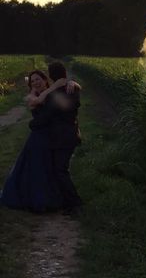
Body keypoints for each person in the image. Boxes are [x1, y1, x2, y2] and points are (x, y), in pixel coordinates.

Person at [0, 70, 78, 212]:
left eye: (38, 79)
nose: (35, 82)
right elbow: (40, 103)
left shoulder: (50, 93)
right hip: (39, 138)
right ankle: (40, 199)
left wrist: (73, 83)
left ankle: (58, 197)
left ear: (44, 79)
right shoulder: (32, 97)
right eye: (32, 81)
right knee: (38, 169)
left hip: (53, 137)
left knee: (51, 168)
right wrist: (55, 86)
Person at [46, 61, 83, 214]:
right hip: (70, 135)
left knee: (60, 170)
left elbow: (48, 116)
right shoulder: (72, 89)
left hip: (62, 137)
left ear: (50, 76)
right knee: (60, 169)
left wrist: (33, 124)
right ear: (65, 74)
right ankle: (66, 201)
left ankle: (75, 204)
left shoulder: (54, 94)